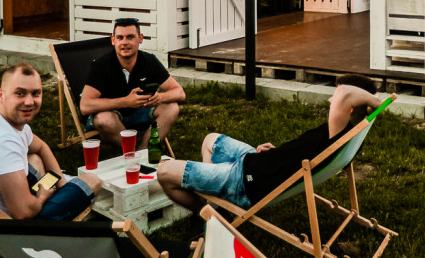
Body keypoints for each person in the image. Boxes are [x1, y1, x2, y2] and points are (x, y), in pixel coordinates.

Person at [158, 74, 380, 212]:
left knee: (164, 172)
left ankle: (207, 215)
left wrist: (375, 101)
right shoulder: (349, 133)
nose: (332, 100)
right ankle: (216, 205)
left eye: (335, 99)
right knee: (211, 140)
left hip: (245, 181)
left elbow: (344, 92)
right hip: (260, 163)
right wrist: (277, 153)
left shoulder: (338, 131)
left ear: (349, 107)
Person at [0, 63, 102, 220]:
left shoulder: (3, 122)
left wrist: (62, 187)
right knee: (92, 181)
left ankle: (57, 193)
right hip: (6, 231)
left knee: (34, 158)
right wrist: (42, 196)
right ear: (0, 95)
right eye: (20, 93)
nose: (29, 102)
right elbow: (22, 213)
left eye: (36, 94)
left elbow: (41, 147)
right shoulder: (3, 142)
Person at [79, 18, 185, 149]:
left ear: (140, 38)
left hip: (139, 112)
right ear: (113, 40)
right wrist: (125, 101)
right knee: (104, 119)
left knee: (172, 108)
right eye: (120, 38)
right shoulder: (101, 66)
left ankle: (143, 153)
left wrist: (160, 97)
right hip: (110, 115)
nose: (124, 43)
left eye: (130, 37)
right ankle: (131, 153)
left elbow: (180, 92)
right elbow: (84, 106)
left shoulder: (148, 61)